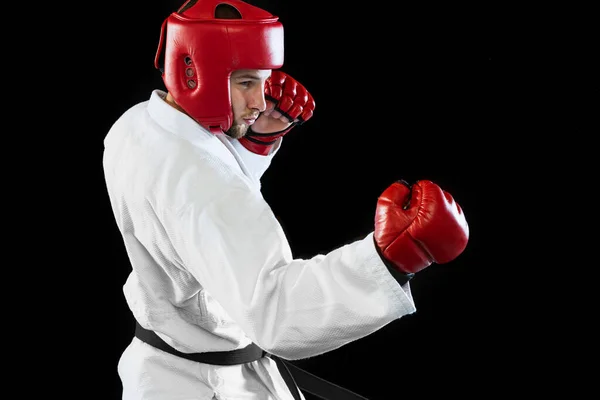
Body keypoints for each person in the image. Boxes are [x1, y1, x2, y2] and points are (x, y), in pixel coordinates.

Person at [103, 0, 470, 399]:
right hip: (208, 386)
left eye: (262, 81)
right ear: (191, 72)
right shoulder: (203, 186)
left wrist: (251, 146)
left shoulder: (137, 125)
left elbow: (192, 216)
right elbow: (275, 314)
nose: (259, 101)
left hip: (164, 368)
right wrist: (389, 260)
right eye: (245, 83)